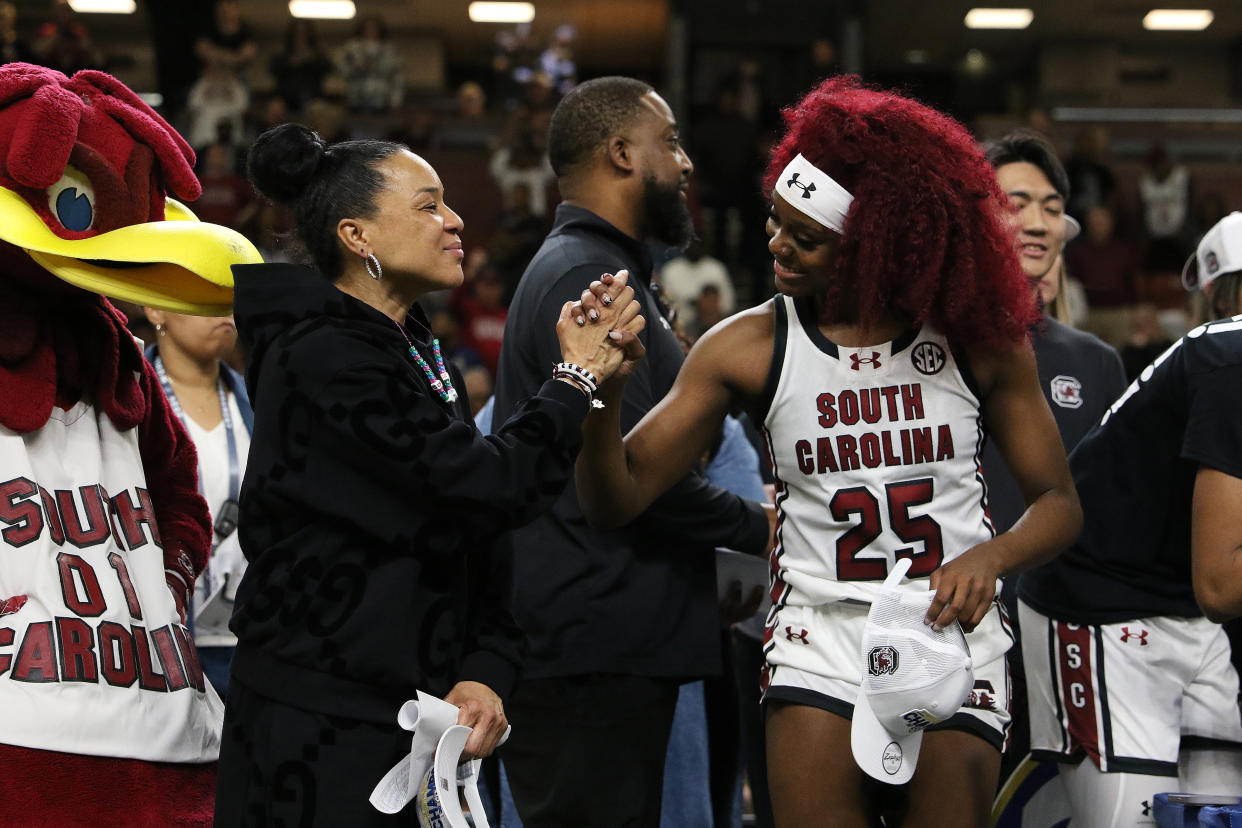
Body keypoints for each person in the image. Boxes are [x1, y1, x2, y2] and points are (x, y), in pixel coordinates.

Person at [572, 76, 1083, 828]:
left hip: (949, 635)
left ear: (875, 247)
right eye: (775, 220)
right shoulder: (747, 345)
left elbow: (1061, 505)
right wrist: (602, 394)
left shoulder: (978, 340)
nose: (776, 244)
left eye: (803, 235)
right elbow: (613, 497)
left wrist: (992, 558)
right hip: (819, 633)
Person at [213, 123, 645, 825]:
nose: (455, 219)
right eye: (427, 205)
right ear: (359, 237)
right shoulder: (322, 353)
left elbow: (469, 529)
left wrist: (485, 668)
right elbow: (487, 486)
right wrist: (571, 378)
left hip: (410, 719)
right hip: (317, 727)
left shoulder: (408, 346)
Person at [489, 76, 774, 827]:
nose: (684, 164)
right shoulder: (591, 276)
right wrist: (770, 529)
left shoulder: (596, 268)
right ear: (621, 153)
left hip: (596, 638)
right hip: (590, 645)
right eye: (670, 142)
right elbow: (638, 481)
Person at [1017, 211, 1242, 828]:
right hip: (1103, 608)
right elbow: (1222, 583)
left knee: (1213, 816)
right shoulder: (1230, 357)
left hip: (1189, 619)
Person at [981, 130, 1129, 790]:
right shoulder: (931, 344)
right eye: (1016, 202)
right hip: (959, 635)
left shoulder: (1095, 362)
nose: (1037, 221)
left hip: (1066, 643)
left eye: (1049, 205)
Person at [143, 307, 252, 695]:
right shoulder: (124, 398)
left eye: (227, 298)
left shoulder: (262, 401)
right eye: (202, 296)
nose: (223, 310)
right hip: (158, 639)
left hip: (249, 640)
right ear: (155, 307)